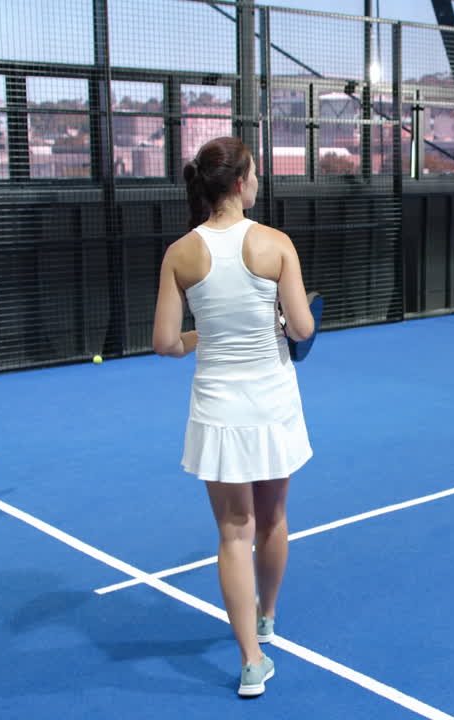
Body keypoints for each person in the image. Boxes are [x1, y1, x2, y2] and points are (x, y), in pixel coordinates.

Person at [152, 136, 315, 697]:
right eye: (257, 172)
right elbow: (301, 329)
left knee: (232, 533)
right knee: (272, 520)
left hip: (217, 409)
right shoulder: (276, 245)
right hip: (272, 403)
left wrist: (207, 333)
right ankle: (266, 619)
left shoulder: (180, 253)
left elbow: (166, 342)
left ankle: (251, 661)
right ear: (242, 181)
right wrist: (273, 319)